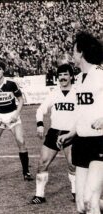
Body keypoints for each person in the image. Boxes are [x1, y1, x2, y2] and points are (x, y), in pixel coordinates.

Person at [58, 32, 103, 214]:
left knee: (90, 199)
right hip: (82, 143)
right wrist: (70, 133)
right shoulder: (78, 80)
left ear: (82, 53)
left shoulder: (100, 74)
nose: (72, 55)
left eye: (74, 51)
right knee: (82, 204)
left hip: (100, 141)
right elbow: (82, 114)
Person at [0, 59, 33, 184]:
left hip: (12, 116)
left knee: (21, 141)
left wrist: (16, 114)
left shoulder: (11, 83)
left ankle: (26, 173)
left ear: (3, 70)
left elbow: (20, 100)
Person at [30, 64, 76, 204]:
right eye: (60, 75)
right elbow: (40, 110)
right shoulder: (54, 93)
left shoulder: (77, 92)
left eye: (65, 74)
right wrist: (39, 125)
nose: (62, 77)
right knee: (42, 163)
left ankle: (76, 192)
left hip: (72, 134)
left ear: (71, 76)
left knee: (73, 165)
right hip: (54, 132)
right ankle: (39, 195)